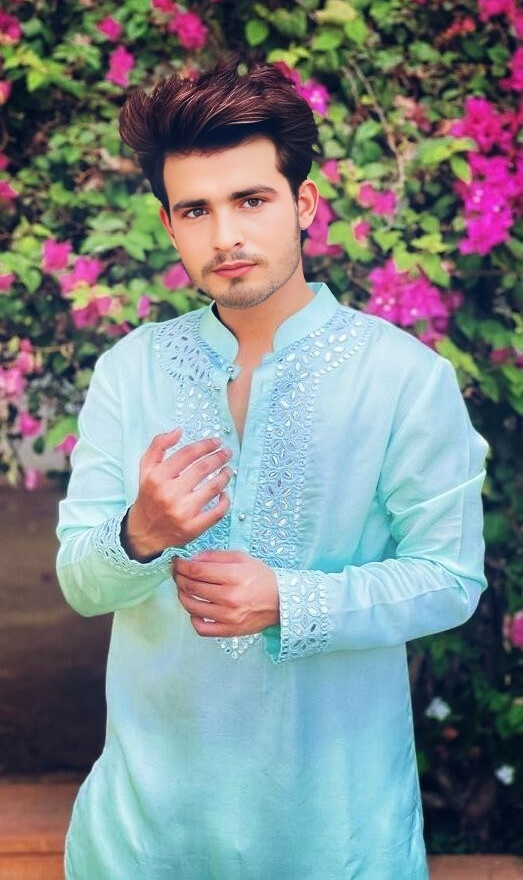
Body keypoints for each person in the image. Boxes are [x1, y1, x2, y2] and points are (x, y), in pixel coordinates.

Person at [56, 59, 489, 880]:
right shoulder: (130, 370)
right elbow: (81, 582)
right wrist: (140, 533)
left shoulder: (403, 377)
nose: (225, 235)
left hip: (333, 833)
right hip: (145, 837)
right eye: (196, 210)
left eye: (251, 200)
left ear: (304, 205)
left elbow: (448, 579)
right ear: (170, 225)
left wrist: (290, 600)